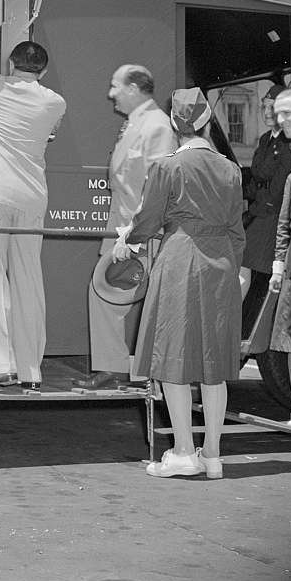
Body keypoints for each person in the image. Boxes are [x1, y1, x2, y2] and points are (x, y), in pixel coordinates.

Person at [111, 88, 245, 478]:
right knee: (215, 365)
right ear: (205, 121)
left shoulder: (168, 167)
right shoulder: (230, 169)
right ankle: (213, 455)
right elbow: (237, 230)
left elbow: (149, 220)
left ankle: (184, 451)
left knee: (173, 359)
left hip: (181, 262)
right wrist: (233, 268)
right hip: (220, 264)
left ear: (175, 123)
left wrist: (127, 241)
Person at [0, 41, 66, 390]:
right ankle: (30, 369)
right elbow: (50, 134)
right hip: (32, 196)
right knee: (29, 281)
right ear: (44, 71)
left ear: (10, 62)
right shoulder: (54, 102)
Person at [73, 65, 177, 390]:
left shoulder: (157, 125)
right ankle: (114, 367)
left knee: (141, 299)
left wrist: (139, 234)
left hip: (141, 232)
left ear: (133, 88)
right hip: (119, 227)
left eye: (115, 86)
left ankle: (151, 374)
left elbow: (160, 186)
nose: (111, 93)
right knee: (103, 294)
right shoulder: (136, 122)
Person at [239, 83, 291, 334]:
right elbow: (255, 179)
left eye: (270, 106)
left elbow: (279, 186)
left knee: (252, 274)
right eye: (263, 106)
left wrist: (254, 212)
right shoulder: (265, 140)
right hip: (258, 212)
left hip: (270, 215)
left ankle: (243, 332)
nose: (266, 111)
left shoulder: (286, 143)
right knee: (247, 273)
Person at [267, 86, 291, 432]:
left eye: (287, 113)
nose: (280, 120)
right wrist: (279, 263)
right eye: (277, 113)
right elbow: (286, 217)